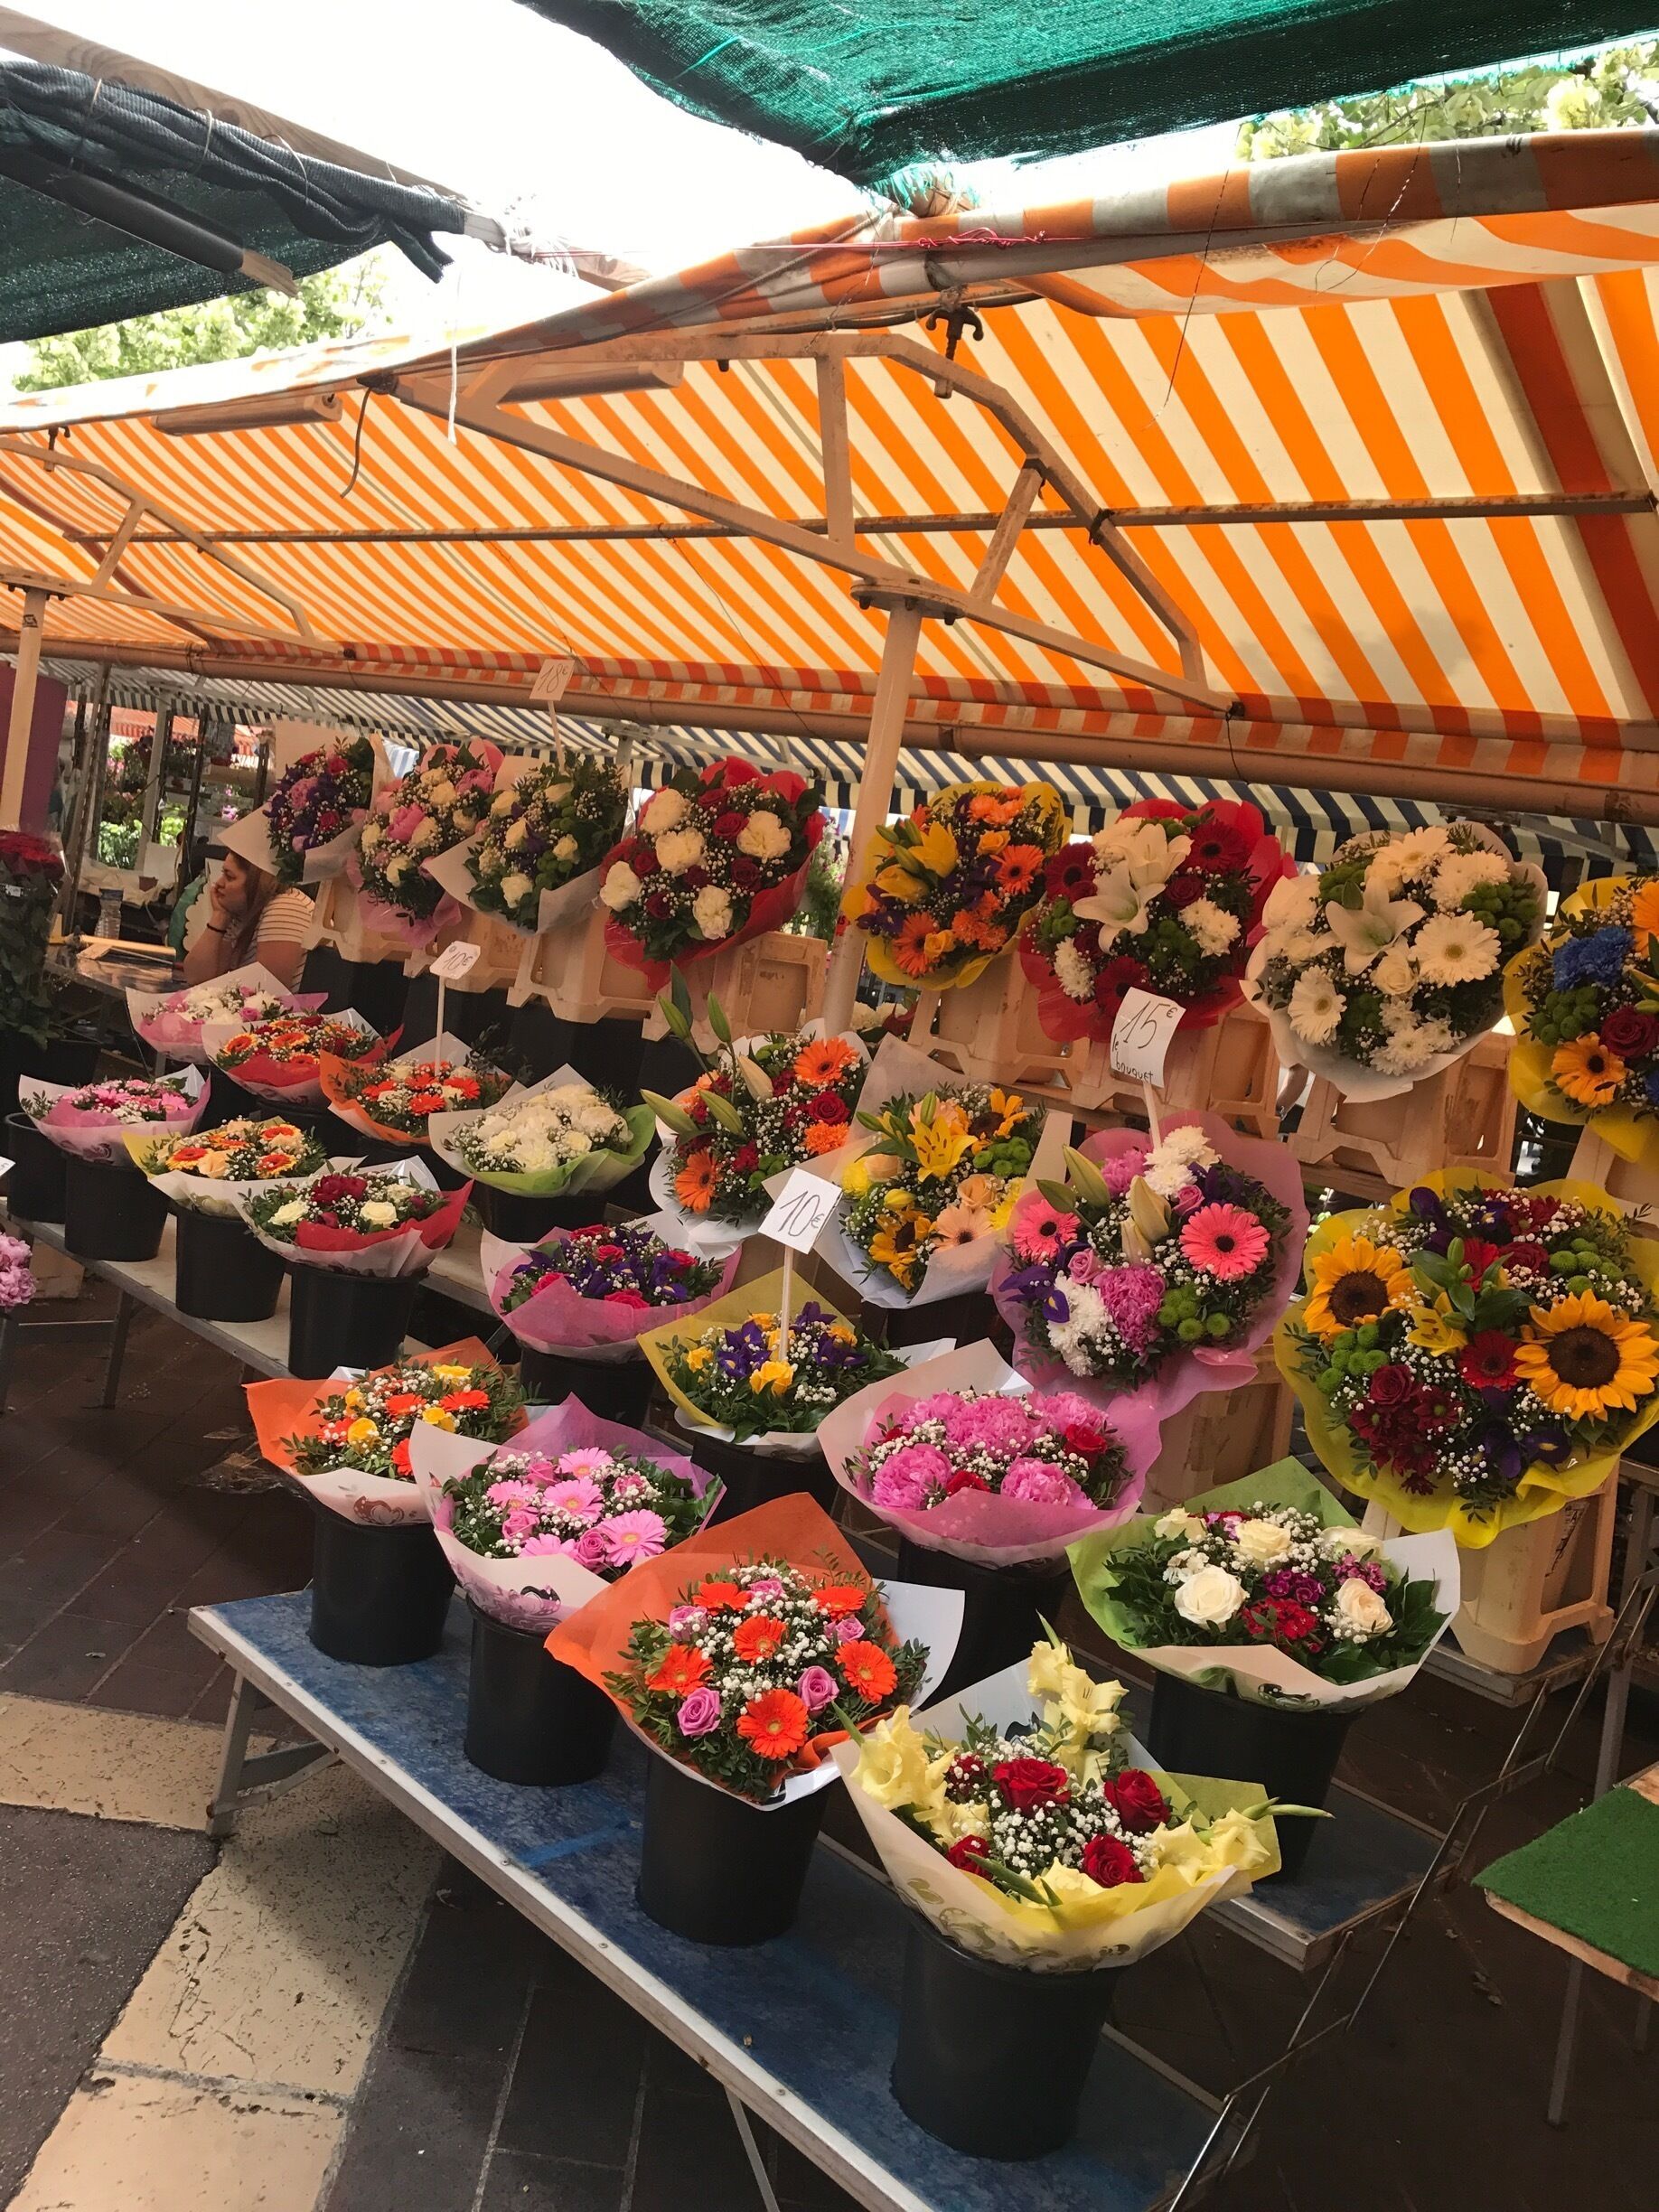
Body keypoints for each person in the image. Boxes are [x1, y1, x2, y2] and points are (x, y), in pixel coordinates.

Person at [178, 846, 312, 989]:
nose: (219, 883)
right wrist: (219, 916)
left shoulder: (286, 908)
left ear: (256, 882)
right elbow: (195, 977)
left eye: (229, 877)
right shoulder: (242, 912)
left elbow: (267, 993)